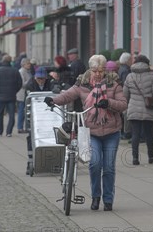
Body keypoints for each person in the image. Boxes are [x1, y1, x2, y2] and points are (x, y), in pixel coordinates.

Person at [44, 54, 127, 212]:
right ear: (90, 69)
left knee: (108, 167)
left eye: (100, 70)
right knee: (95, 164)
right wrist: (53, 100)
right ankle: (95, 197)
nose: (97, 74)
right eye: (94, 70)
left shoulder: (113, 84)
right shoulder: (83, 84)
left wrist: (108, 103)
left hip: (111, 131)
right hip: (91, 131)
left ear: (104, 70)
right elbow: (68, 95)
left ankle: (108, 200)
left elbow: (123, 104)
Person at [123, 55, 153, 165]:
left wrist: (128, 105)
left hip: (133, 108)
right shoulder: (152, 75)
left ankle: (135, 158)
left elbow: (125, 94)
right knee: (149, 134)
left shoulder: (130, 76)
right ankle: (151, 156)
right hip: (148, 108)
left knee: (135, 134)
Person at [0, 55, 23, 137]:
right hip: (11, 96)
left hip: (0, 96)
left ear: (2, 61)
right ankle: (9, 132)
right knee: (11, 115)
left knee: (0, 114)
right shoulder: (15, 71)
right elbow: (20, 83)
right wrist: (14, 91)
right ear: (10, 61)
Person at [16, 58, 33, 134]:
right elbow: (22, 84)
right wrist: (31, 81)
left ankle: (27, 127)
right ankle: (20, 128)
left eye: (29, 63)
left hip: (27, 93)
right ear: (23, 64)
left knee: (26, 111)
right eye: (28, 63)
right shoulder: (21, 71)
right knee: (21, 111)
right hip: (22, 94)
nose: (29, 65)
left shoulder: (28, 71)